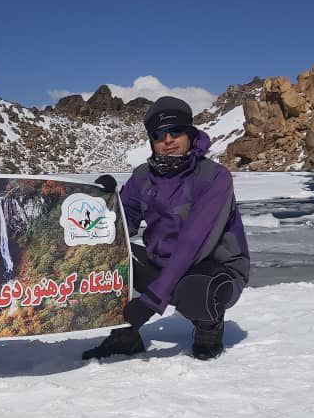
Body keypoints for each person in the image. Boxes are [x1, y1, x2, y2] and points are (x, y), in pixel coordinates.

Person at [83, 96, 250, 361]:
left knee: (198, 292)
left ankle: (209, 327)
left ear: (190, 133)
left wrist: (150, 301)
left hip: (214, 267)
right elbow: (119, 227)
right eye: (159, 134)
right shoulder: (142, 177)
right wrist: (102, 201)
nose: (168, 139)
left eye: (175, 130)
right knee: (108, 257)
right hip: (163, 263)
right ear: (152, 141)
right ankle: (125, 335)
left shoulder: (214, 177)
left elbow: (193, 242)